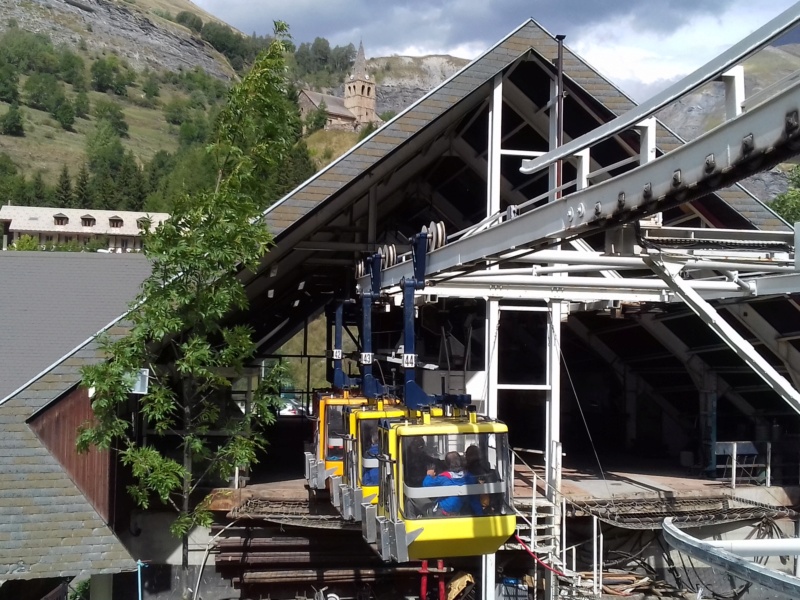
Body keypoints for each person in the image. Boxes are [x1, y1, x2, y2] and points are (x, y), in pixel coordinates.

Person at [423, 451, 482, 516]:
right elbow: (474, 499)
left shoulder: (443, 477)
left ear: (446, 464)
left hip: (443, 512)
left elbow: (426, 484)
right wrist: (480, 515)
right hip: (462, 511)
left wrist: (429, 475)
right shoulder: (469, 477)